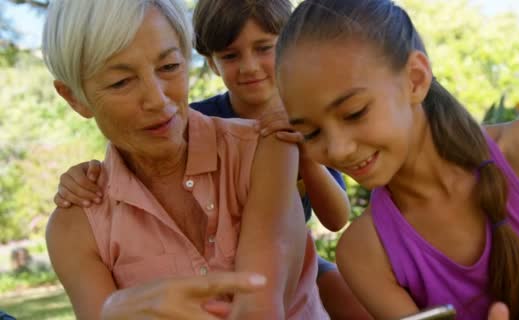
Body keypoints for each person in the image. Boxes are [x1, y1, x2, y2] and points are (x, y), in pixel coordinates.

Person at [273, 0, 519, 319]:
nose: (338, 149)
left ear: (415, 79)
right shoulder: (364, 252)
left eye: (354, 113)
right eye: (312, 133)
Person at [52, 0, 369, 318]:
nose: (157, 100)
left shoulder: (272, 144)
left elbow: (262, 304)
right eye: (120, 82)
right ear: (74, 97)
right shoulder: (76, 225)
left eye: (169, 67)